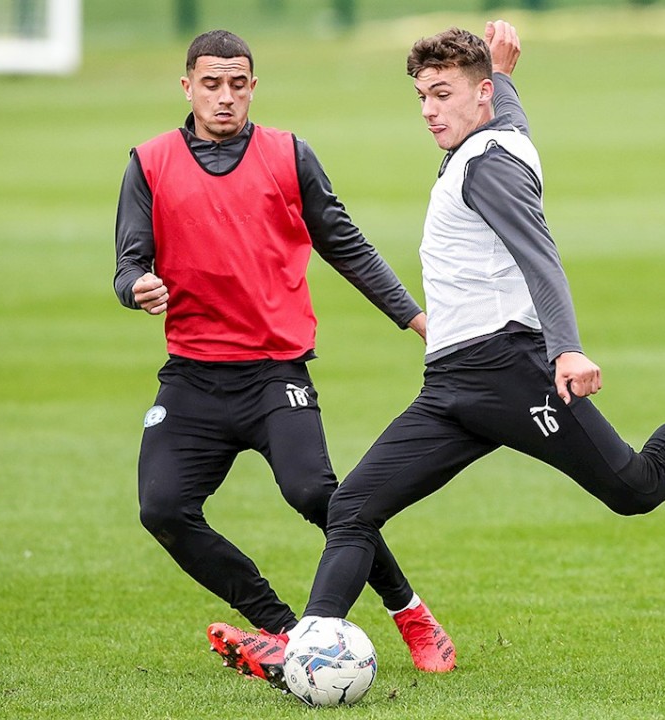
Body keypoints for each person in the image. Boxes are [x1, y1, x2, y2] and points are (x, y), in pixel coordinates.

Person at [207, 20, 665, 690]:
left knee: (636, 489)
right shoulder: (501, 134)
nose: (429, 110)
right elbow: (509, 117)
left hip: (511, 373)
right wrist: (501, 74)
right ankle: (309, 648)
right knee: (352, 507)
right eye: (422, 97)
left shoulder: (488, 167)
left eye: (443, 94)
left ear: (480, 97)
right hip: (450, 386)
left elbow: (539, 256)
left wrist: (566, 350)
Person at [113, 29, 457, 686]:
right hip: (192, 377)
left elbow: (347, 246)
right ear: (187, 87)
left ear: (253, 88)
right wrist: (137, 287)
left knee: (317, 494)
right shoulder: (150, 163)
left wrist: (417, 320)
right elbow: (129, 263)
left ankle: (409, 612)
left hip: (275, 372)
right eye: (210, 84)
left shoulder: (288, 155)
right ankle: (284, 632)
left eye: (237, 84)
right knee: (162, 509)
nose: (224, 96)